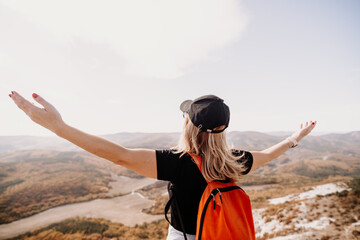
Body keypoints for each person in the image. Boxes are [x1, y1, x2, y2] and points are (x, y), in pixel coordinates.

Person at [9, 92, 316, 240]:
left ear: (189, 125)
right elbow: (268, 154)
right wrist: (294, 138)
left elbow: (119, 155)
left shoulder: (178, 162)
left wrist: (58, 127)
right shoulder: (235, 160)